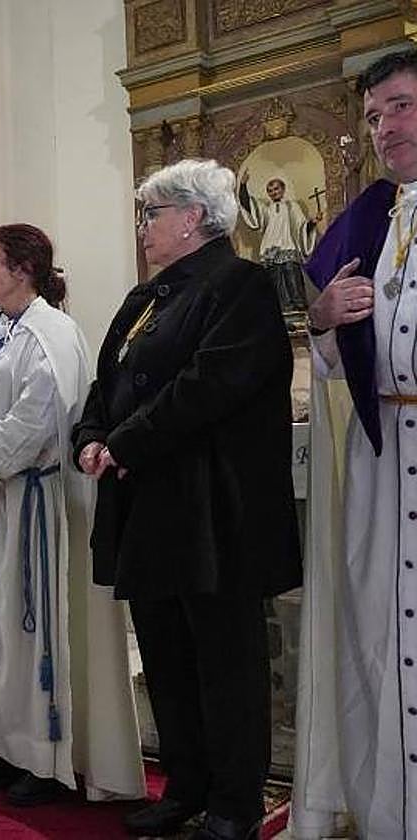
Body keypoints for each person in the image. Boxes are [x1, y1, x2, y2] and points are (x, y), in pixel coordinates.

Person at [71, 159, 300, 840]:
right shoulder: (145, 298)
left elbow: (210, 383)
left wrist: (124, 444)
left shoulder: (241, 285)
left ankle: (235, 803)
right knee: (167, 657)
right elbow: (103, 380)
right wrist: (90, 434)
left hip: (213, 511)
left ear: (195, 217)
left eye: (152, 213)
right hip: (148, 509)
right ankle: (186, 784)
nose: (142, 226)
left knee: (225, 664)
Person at [0, 224, 144, 806]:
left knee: (32, 629)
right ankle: (2, 745)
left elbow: (40, 414)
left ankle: (43, 756)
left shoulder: (54, 332)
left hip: (34, 504)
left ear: (24, 269)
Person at [295, 48, 417, 840]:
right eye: (374, 116)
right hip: (383, 460)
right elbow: (335, 366)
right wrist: (325, 319)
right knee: (382, 635)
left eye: (401, 106)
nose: (385, 127)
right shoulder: (375, 219)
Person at [237, 172, 321, 314]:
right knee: (275, 282)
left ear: (283, 190)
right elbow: (246, 204)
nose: (273, 192)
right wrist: (243, 186)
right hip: (270, 249)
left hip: (288, 246)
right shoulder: (266, 209)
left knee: (291, 277)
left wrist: (312, 223)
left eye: (276, 189)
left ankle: (298, 307)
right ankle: (282, 308)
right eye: (270, 190)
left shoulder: (292, 206)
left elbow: (301, 227)